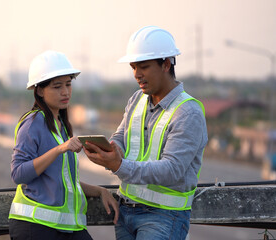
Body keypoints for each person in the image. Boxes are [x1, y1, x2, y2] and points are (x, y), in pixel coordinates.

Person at [83, 26, 208, 240]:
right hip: (125, 212)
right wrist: (111, 150)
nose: (136, 74)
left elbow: (172, 170)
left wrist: (118, 165)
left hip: (163, 217)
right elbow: (122, 137)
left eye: (144, 66)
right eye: (133, 67)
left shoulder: (188, 112)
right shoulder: (137, 99)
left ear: (166, 64)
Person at [8, 50, 119, 240]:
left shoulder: (61, 125)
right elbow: (18, 173)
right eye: (57, 86)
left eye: (68, 84)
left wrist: (100, 191)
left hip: (65, 228)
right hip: (35, 227)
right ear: (40, 90)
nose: (65, 91)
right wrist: (60, 149)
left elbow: (64, 181)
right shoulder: (32, 123)